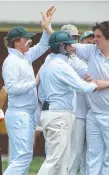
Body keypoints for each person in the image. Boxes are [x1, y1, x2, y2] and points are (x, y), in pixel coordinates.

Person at [72, 20, 109, 175]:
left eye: (98, 37)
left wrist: (107, 83)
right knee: (93, 158)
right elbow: (68, 45)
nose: (95, 40)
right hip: (93, 114)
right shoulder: (92, 51)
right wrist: (48, 29)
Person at [2, 6, 56, 175]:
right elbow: (11, 89)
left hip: (25, 114)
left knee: (19, 158)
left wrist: (46, 26)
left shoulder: (24, 56)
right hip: (19, 114)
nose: (29, 41)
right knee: (24, 157)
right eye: (26, 39)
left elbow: (43, 45)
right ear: (17, 41)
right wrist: (35, 82)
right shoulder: (11, 62)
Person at [37, 30, 98, 175]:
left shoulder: (48, 63)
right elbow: (82, 86)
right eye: (70, 45)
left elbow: (41, 94)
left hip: (51, 113)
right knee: (55, 160)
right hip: (59, 116)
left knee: (63, 162)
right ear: (62, 46)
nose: (73, 48)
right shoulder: (62, 66)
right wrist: (95, 84)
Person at [61, 24, 89, 175]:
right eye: (71, 39)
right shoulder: (66, 61)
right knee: (73, 156)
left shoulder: (79, 59)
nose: (74, 42)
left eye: (75, 38)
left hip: (87, 114)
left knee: (85, 157)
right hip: (74, 113)